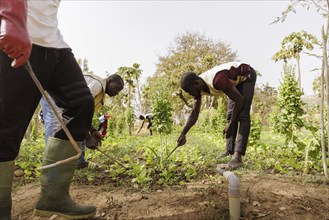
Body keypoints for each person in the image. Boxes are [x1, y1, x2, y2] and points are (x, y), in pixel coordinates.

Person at [0, 1, 97, 219]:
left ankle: (53, 197)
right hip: (14, 37)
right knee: (6, 130)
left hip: (55, 45)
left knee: (81, 104)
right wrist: (10, 19)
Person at [177, 62, 257, 170]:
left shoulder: (217, 80)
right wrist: (183, 133)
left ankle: (237, 157)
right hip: (234, 82)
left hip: (246, 75)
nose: (191, 94)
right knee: (230, 114)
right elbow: (194, 113)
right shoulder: (198, 88)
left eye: (190, 91)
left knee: (242, 115)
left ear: (196, 83)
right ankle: (229, 150)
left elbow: (240, 100)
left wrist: (231, 124)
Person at [40, 72, 124, 169]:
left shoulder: (100, 90)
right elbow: (79, 108)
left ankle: (79, 162)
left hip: (63, 99)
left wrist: (92, 130)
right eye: (117, 88)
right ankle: (51, 163)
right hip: (54, 92)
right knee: (54, 123)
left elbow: (83, 115)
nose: (116, 93)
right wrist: (87, 138)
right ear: (109, 80)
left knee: (74, 126)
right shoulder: (97, 85)